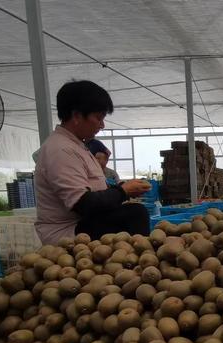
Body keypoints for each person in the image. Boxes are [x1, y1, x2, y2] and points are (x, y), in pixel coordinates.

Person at [34, 80, 152, 245]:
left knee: (132, 212)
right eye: (98, 118)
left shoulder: (76, 145)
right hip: (68, 232)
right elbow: (82, 203)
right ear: (76, 116)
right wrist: (122, 192)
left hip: (84, 222)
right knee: (135, 213)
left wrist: (123, 189)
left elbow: (91, 190)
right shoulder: (60, 149)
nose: (102, 125)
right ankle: (137, 260)